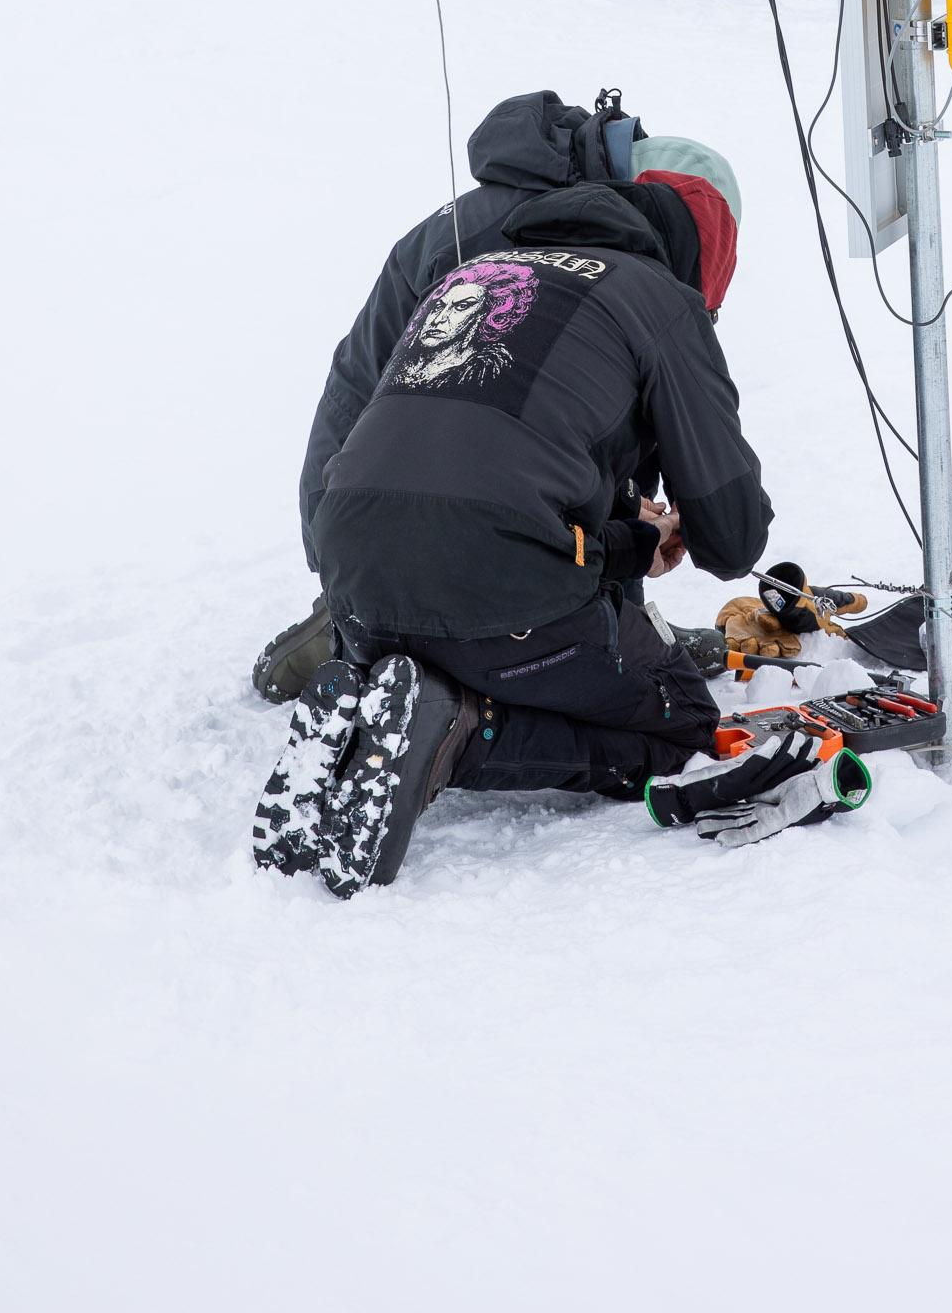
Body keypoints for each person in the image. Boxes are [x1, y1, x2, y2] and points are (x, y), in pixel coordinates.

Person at [251, 86, 774, 897]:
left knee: (488, 597)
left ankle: (369, 688)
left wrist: (626, 531)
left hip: (353, 569)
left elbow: (474, 433)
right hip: (496, 580)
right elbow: (736, 539)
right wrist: (672, 527)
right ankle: (460, 731)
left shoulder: (474, 258)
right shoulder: (662, 301)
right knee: (680, 719)